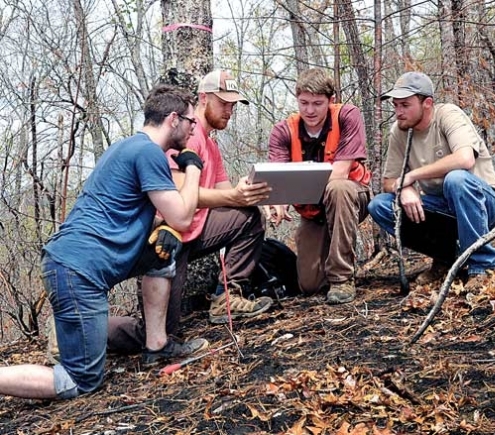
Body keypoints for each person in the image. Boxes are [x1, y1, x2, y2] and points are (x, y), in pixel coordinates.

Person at [0, 85, 208, 400]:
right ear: (174, 119)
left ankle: (157, 346)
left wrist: (163, 226)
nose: (194, 130)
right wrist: (193, 169)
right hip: (76, 271)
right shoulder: (148, 152)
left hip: (87, 262)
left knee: (162, 253)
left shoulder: (127, 148)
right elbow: (181, 217)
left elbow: (128, 214)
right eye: (191, 122)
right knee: (79, 381)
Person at [107, 70, 274, 355]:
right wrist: (234, 196)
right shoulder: (186, 137)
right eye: (224, 103)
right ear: (204, 98)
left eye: (234, 105)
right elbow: (179, 195)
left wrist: (256, 197)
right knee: (157, 334)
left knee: (249, 218)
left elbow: (225, 195)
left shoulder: (212, 144)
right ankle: (77, 328)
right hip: (169, 237)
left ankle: (227, 297)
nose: (229, 111)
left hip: (197, 229)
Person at [368, 71, 495, 290]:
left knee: (456, 180)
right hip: (444, 209)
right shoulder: (399, 131)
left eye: (405, 105)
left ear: (427, 103)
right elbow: (389, 181)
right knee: (380, 205)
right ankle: (446, 259)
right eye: (395, 105)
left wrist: (412, 176)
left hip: (485, 205)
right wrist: (405, 189)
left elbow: (465, 159)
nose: (398, 112)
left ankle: (482, 266)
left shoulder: (448, 115)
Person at [267, 67, 371, 304]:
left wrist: (294, 188)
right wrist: (279, 199)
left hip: (352, 196)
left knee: (338, 188)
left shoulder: (347, 116)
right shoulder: (283, 131)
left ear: (330, 101)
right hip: (313, 210)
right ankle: (324, 268)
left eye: (317, 103)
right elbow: (278, 177)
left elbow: (341, 172)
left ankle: (342, 278)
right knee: (309, 284)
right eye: (304, 103)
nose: (310, 110)